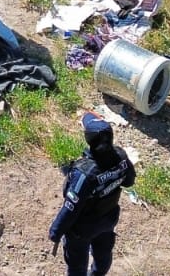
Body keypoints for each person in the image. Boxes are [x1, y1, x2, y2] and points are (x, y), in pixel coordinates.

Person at [48, 113, 136, 276]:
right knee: (103, 255)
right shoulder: (121, 158)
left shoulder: (84, 173)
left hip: (82, 229)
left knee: (77, 266)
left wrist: (55, 232)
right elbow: (129, 181)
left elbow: (70, 209)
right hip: (108, 219)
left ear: (89, 140)